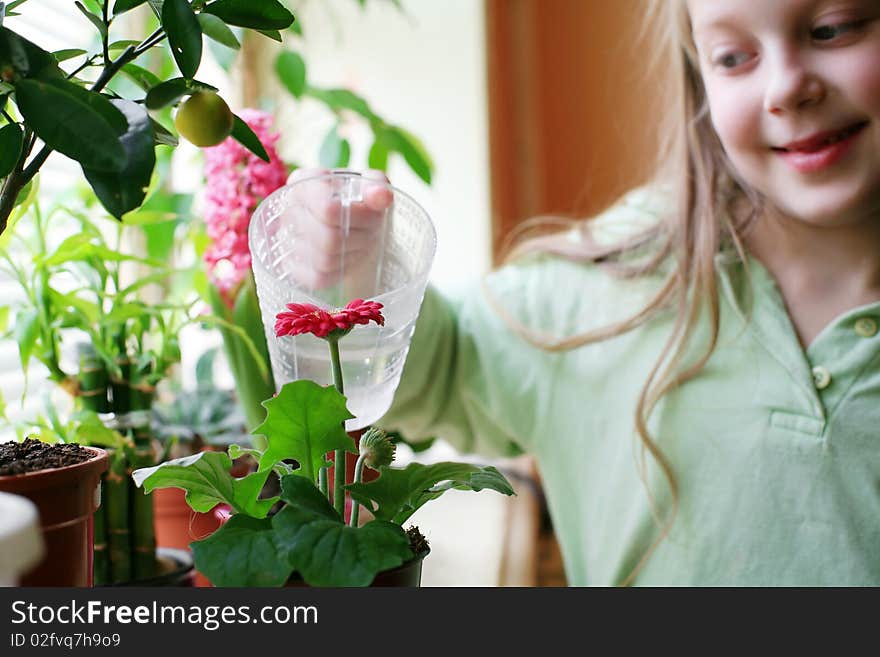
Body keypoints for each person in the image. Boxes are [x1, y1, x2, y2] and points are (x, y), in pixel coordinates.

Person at [281, 0, 880, 585]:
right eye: (732, 57)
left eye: (833, 29)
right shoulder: (613, 283)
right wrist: (358, 272)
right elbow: (443, 363)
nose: (785, 87)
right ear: (698, 74)